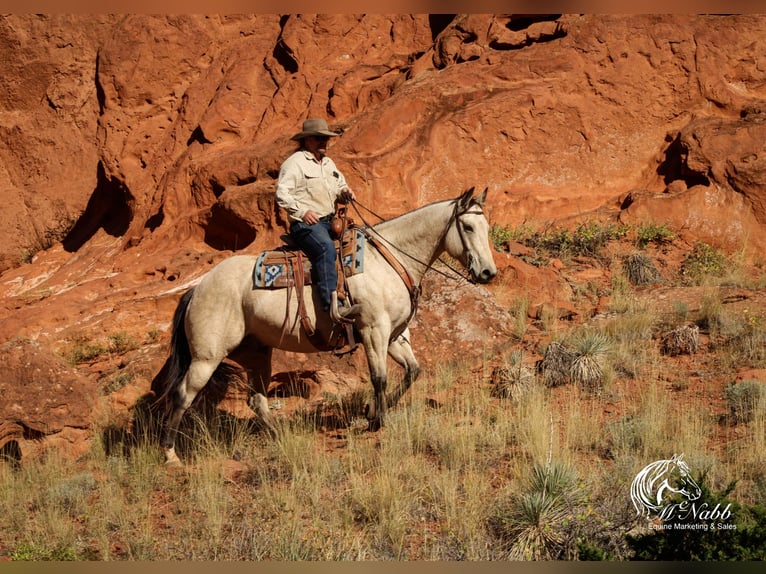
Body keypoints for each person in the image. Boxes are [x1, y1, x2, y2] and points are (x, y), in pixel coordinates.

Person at [275, 118, 357, 318]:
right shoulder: (294, 163)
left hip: (330, 221)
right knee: (325, 249)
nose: (324, 142)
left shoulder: (328, 163)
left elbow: (339, 185)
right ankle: (332, 306)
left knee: (361, 241)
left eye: (325, 138)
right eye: (319, 138)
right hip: (306, 225)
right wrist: (302, 211)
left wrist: (345, 191)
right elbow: (282, 194)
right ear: (306, 140)